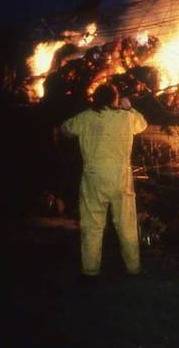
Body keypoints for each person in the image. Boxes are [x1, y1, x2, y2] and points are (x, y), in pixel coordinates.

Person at [60, 83, 148, 280]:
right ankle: (133, 269)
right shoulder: (127, 118)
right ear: (114, 99)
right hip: (120, 178)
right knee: (126, 224)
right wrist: (129, 107)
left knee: (92, 226)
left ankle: (90, 272)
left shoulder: (85, 118)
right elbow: (143, 124)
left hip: (94, 178)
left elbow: (66, 129)